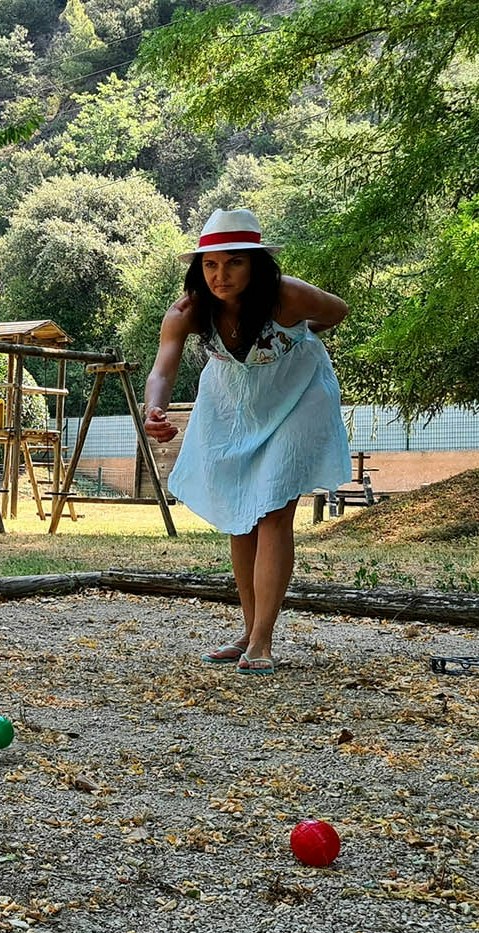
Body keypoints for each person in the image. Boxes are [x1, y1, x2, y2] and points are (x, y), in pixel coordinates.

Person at [142, 208, 351, 676]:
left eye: (233, 262)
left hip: (299, 397)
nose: (221, 275)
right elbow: (162, 369)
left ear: (256, 263)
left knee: (274, 509)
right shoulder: (187, 311)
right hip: (233, 404)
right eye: (210, 265)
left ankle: (262, 640)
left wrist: (299, 336)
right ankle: (247, 628)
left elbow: (338, 310)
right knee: (241, 514)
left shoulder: (288, 296)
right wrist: (154, 408)